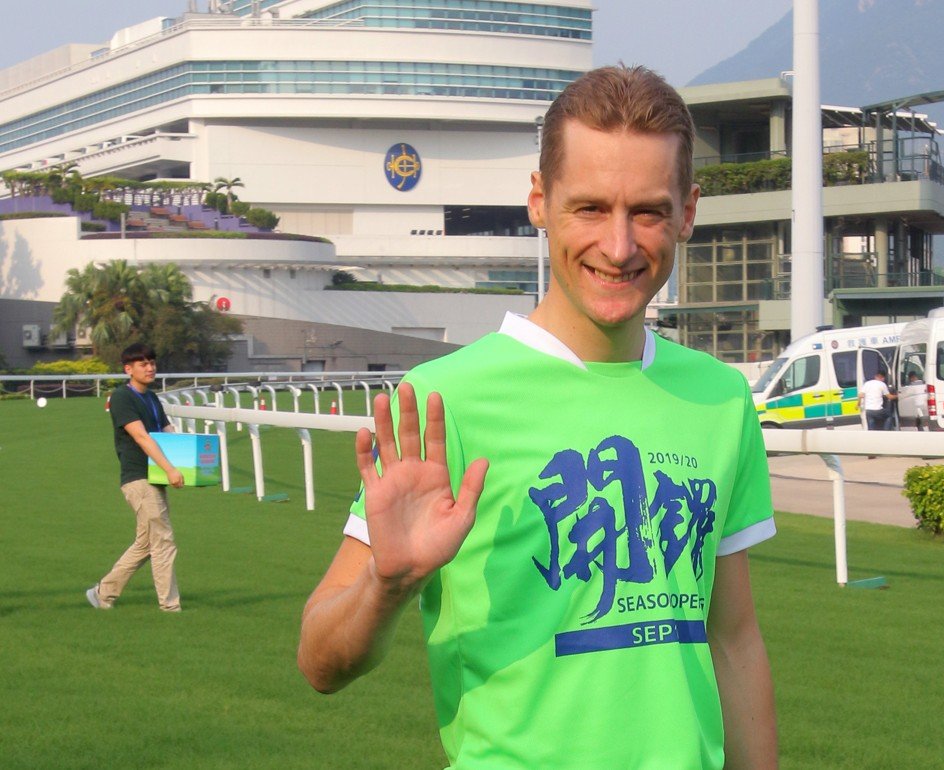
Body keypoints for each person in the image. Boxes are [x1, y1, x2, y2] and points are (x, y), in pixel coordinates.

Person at [297, 65, 778, 769]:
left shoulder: (719, 398)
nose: (619, 246)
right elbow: (319, 660)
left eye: (647, 211)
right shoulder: (443, 402)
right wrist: (387, 586)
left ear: (688, 211)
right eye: (589, 208)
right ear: (539, 202)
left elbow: (733, 641)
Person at [86, 343, 185, 612]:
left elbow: (165, 429)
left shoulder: (151, 397)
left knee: (146, 543)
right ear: (128, 369)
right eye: (143, 364)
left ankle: (103, 593)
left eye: (152, 362)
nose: (150, 367)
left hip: (155, 476)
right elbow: (141, 436)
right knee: (163, 540)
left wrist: (187, 461)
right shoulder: (122, 397)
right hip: (139, 478)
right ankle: (170, 606)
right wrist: (170, 469)